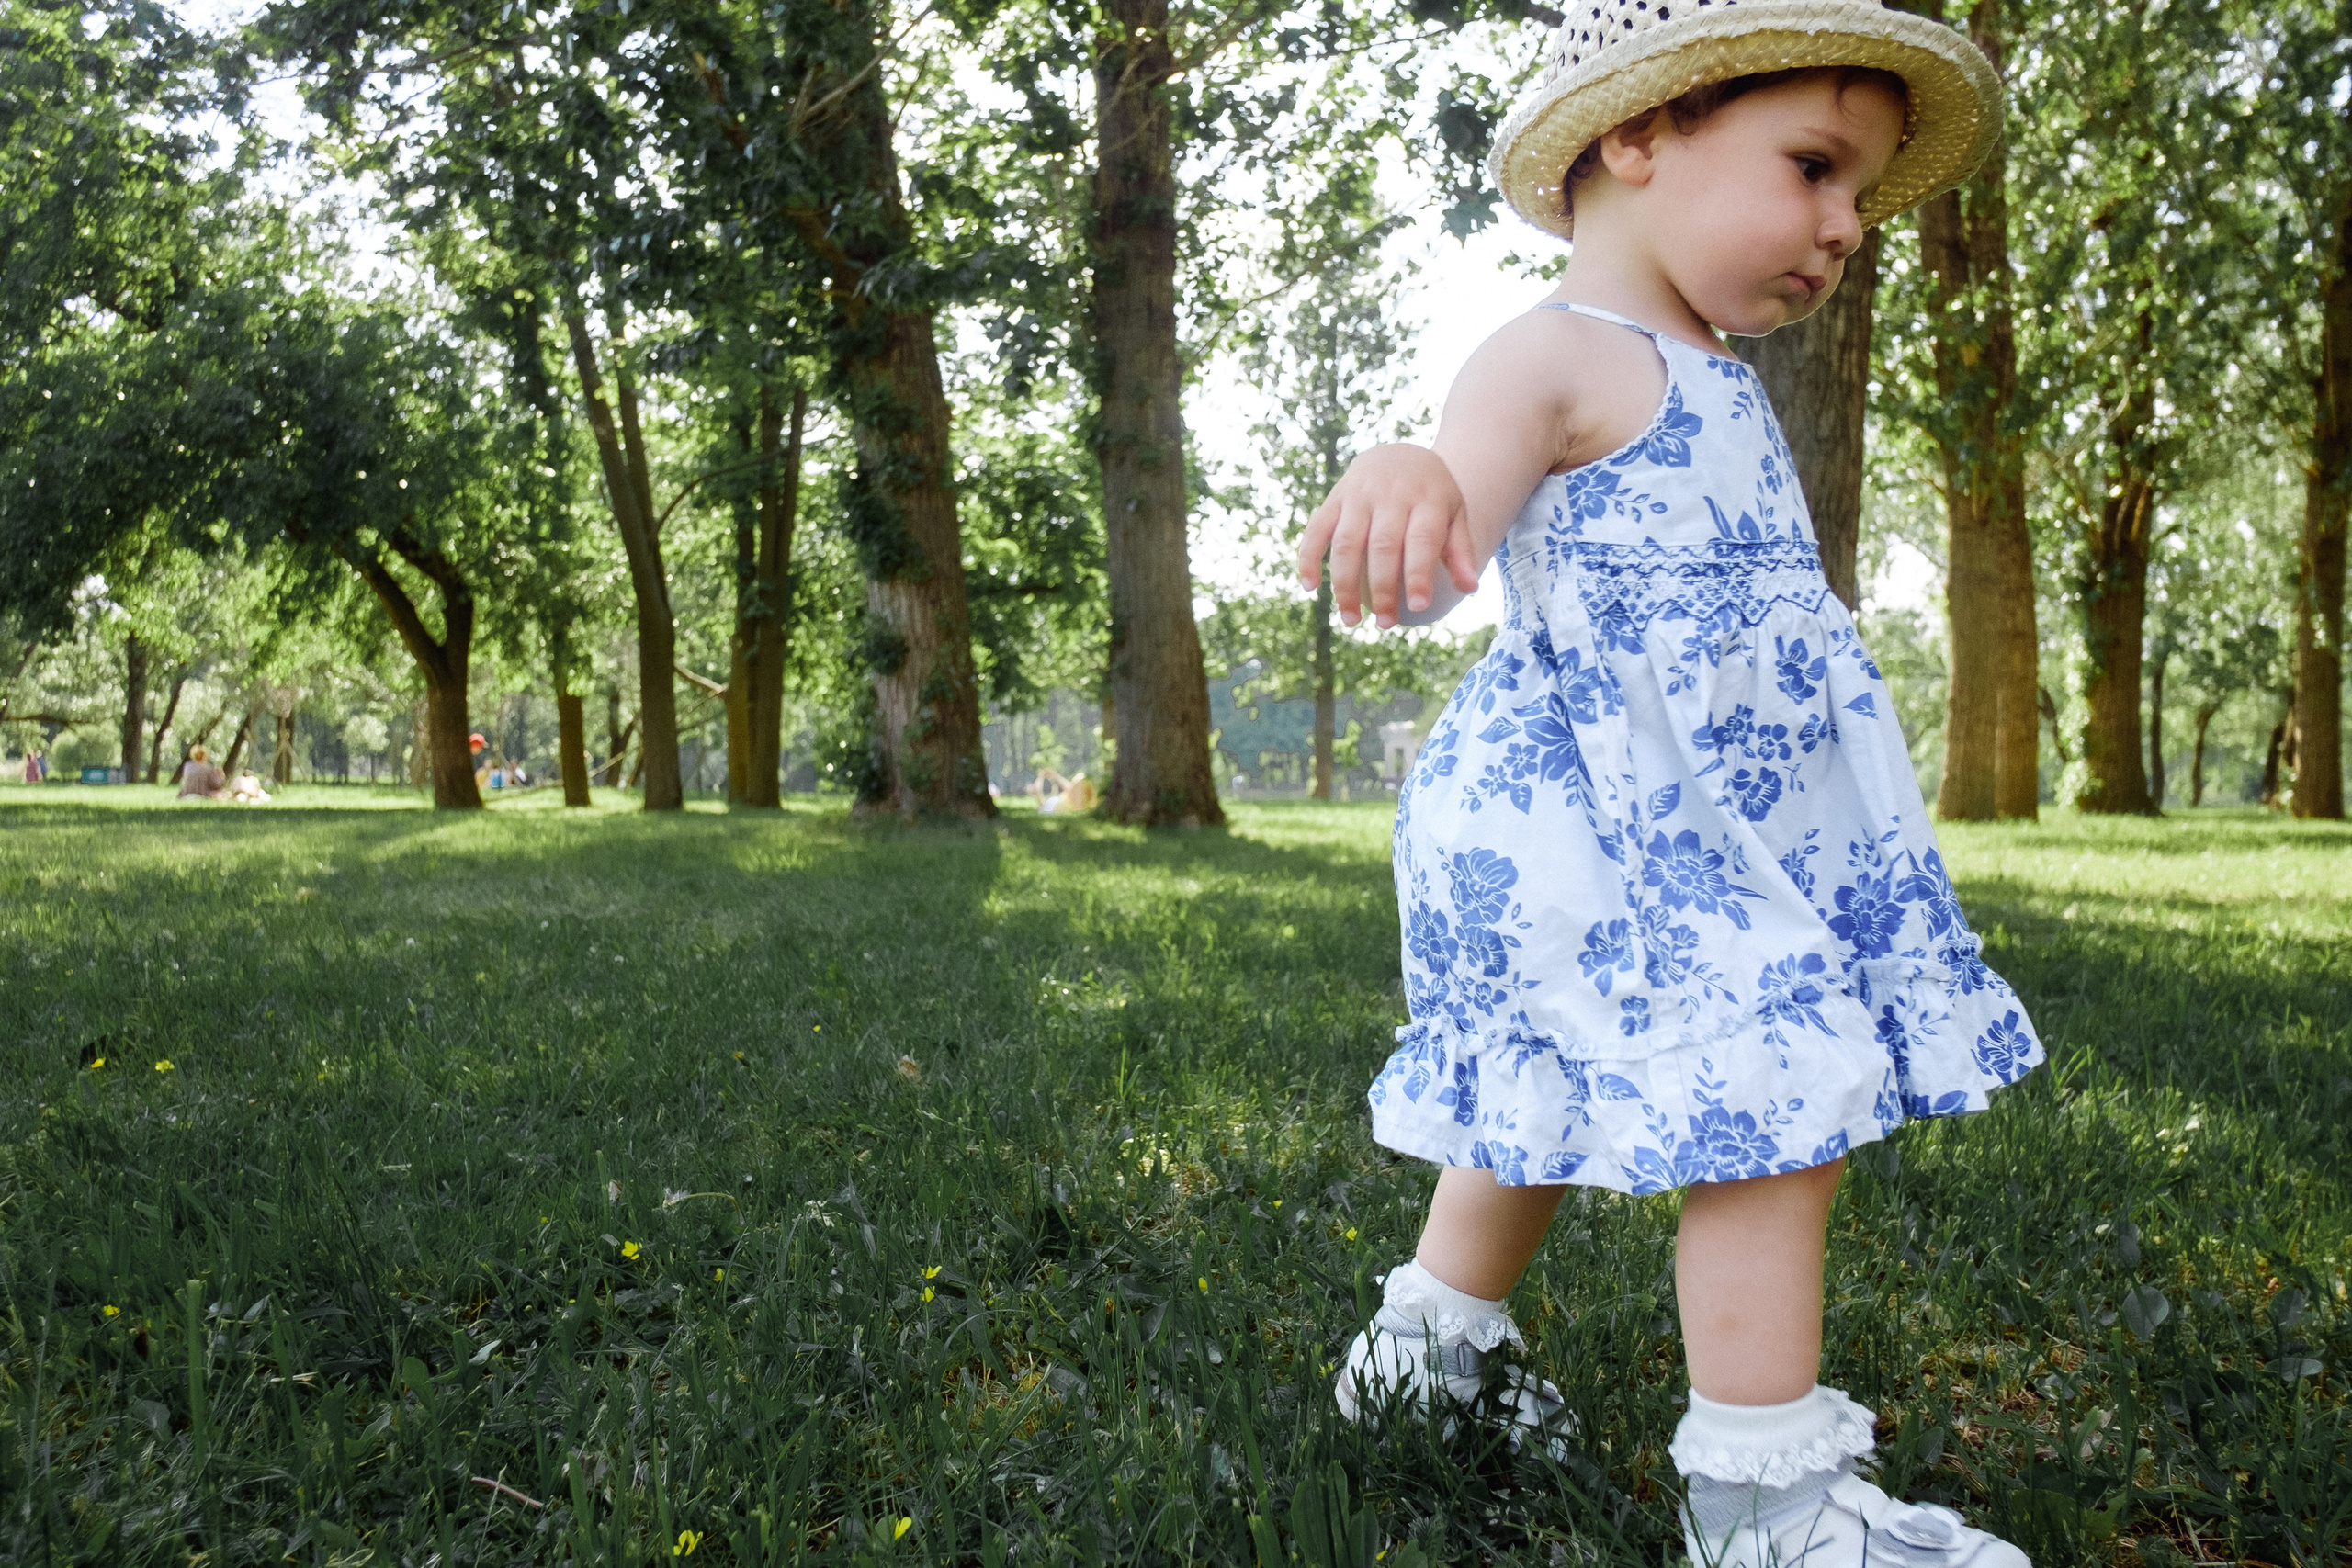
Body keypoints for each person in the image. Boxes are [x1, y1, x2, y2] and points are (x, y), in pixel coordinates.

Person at [1298, 6, 2039, 1566]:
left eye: (1864, 197)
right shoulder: (1558, 353)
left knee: (1539, 1108)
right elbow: (1446, 541)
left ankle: (1424, 1365)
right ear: (1639, 138)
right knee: (1775, 1107)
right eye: (1817, 165)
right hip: (1593, 823)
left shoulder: (1713, 371)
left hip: (1690, 824)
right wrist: (1406, 474)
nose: (1844, 229)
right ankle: (1766, 1509)